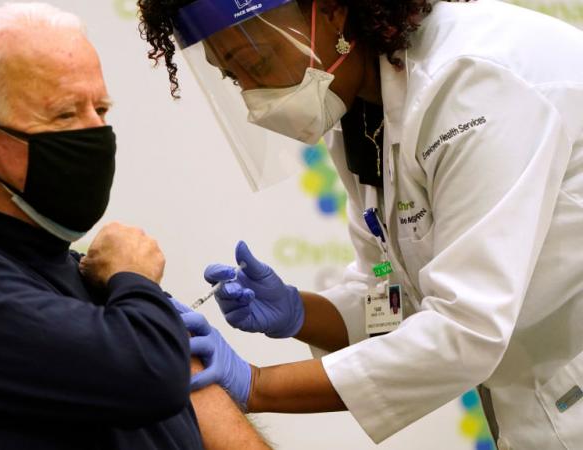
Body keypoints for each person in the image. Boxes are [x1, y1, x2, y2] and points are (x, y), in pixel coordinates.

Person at [136, 0, 583, 448]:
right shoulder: (364, 113)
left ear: (331, 11)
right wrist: (300, 312)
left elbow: (465, 330)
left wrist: (257, 385)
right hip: (537, 400)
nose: (254, 99)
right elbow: (394, 297)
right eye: (235, 79)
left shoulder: (471, 83)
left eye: (256, 63)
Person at [0, 3, 270, 449]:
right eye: (64, 115)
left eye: (101, 109)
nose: (97, 134)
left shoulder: (104, 283)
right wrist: (135, 281)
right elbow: (148, 376)